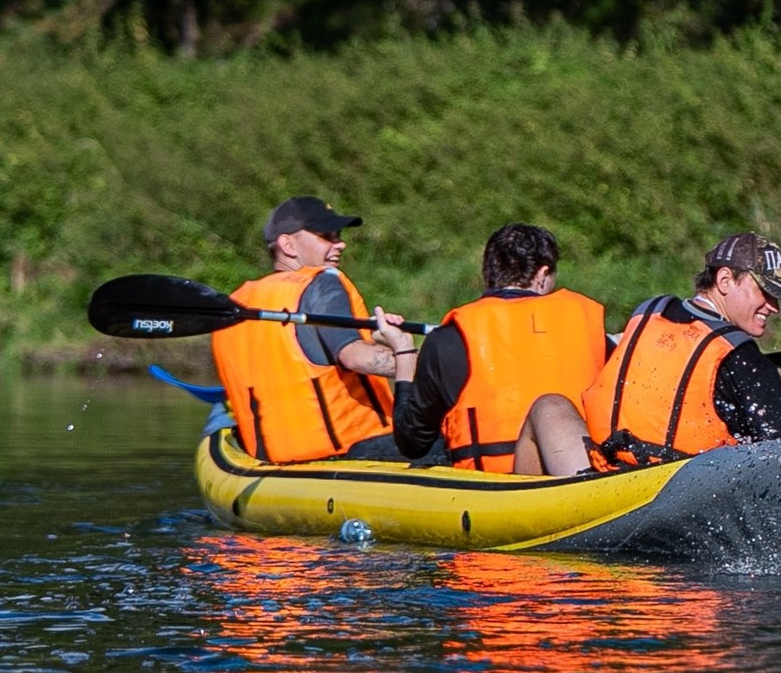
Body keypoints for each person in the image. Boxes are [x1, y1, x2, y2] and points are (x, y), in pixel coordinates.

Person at [583, 233, 781, 469]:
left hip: (607, 468)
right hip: (678, 483)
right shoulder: (741, 355)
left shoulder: (649, 314)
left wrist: (776, 391)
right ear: (724, 280)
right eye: (765, 292)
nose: (773, 307)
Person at [211, 196, 418, 463]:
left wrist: (382, 340)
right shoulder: (322, 283)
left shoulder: (238, 301)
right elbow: (355, 357)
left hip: (272, 458)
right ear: (288, 244)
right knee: (457, 439)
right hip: (354, 448)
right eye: (326, 236)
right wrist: (422, 360)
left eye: (338, 236)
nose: (340, 244)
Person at [391, 224, 609, 475]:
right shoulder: (590, 327)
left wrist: (403, 350)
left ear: (488, 274)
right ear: (542, 274)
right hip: (582, 476)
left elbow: (412, 443)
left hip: (490, 483)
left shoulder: (448, 339)